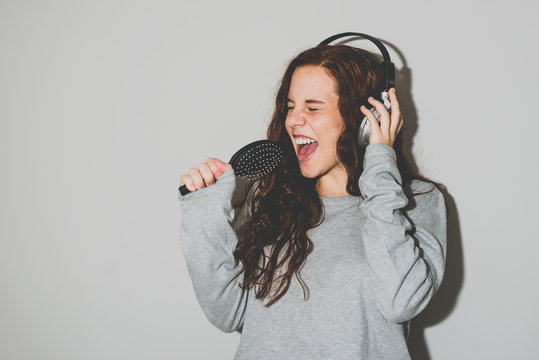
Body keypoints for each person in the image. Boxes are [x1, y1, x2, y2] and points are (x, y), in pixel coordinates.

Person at [178, 43, 447, 359]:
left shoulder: (414, 201)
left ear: (366, 119)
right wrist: (204, 212)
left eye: (313, 107)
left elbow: (400, 300)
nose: (292, 120)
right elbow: (227, 313)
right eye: (291, 106)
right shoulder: (270, 200)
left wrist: (379, 160)